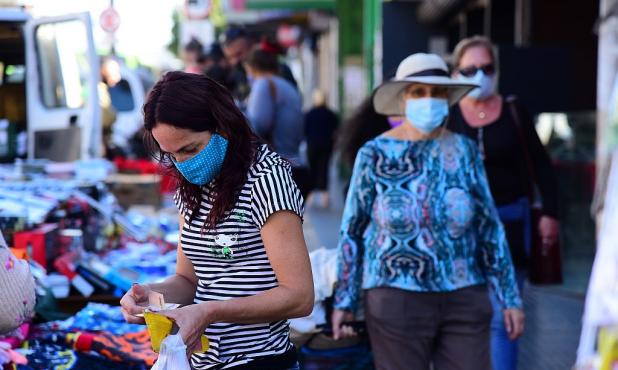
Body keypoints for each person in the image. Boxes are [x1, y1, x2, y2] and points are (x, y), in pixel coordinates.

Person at [331, 53, 524, 370]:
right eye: (418, 92)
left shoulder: (465, 151)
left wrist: (510, 297)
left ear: (448, 98)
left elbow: (489, 227)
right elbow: (352, 230)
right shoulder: (375, 154)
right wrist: (345, 300)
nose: (429, 100)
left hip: (464, 295)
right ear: (404, 98)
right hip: (395, 298)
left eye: (437, 93)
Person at [120, 72, 313, 369]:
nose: (184, 165)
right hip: (204, 361)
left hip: (258, 361)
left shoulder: (266, 179)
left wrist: (210, 312)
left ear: (222, 125)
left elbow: (299, 296)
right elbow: (188, 280)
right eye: (172, 156)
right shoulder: (193, 189)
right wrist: (150, 295)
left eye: (190, 149)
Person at [448, 36, 560, 370]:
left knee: (504, 315)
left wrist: (550, 213)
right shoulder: (447, 117)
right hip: (460, 231)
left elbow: (541, 164)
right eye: (470, 69)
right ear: (456, 72)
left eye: (486, 68)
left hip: (510, 222)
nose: (479, 75)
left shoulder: (513, 110)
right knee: (465, 316)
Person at [245, 49, 311, 199]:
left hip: (276, 167)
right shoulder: (288, 87)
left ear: (252, 68)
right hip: (295, 165)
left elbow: (258, 126)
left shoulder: (263, 85)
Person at [304, 90, 339, 208]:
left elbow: (305, 130)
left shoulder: (309, 113)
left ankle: (310, 196)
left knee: (312, 169)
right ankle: (325, 196)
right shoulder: (331, 114)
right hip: (326, 145)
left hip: (312, 145)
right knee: (324, 168)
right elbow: (336, 130)